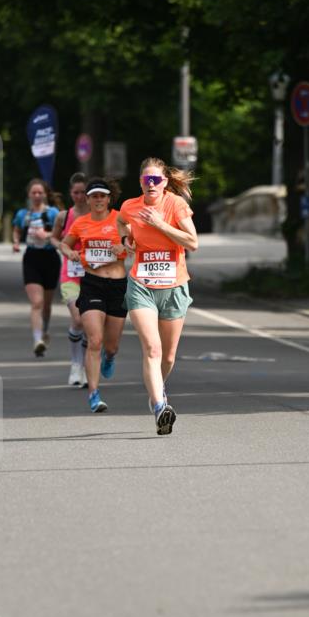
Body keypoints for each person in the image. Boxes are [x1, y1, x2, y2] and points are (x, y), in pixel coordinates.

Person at [116, 157, 198, 435]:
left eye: (156, 180)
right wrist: (126, 239)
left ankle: (157, 390)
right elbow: (120, 222)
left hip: (174, 286)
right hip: (141, 285)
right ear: (140, 181)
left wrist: (161, 224)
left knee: (169, 356)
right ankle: (160, 406)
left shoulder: (175, 205)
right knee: (152, 349)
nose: (151, 184)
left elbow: (193, 243)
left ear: (164, 182)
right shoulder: (130, 206)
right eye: (146, 179)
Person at [61, 177, 128, 413]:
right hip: (92, 283)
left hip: (117, 286)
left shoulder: (120, 218)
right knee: (95, 340)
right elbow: (65, 244)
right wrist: (71, 253)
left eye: (102, 195)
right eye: (94, 196)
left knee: (111, 346)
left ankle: (110, 358)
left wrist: (124, 247)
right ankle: (94, 393)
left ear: (109, 198)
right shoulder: (81, 223)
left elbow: (135, 244)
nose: (98, 200)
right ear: (87, 199)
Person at [12, 179, 61, 357]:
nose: (37, 195)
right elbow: (17, 229)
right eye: (34, 192)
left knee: (46, 305)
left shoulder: (53, 213)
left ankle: (45, 329)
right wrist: (16, 242)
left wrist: (47, 235)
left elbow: (62, 233)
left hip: (50, 259)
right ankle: (37, 339)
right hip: (32, 258)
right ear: (29, 195)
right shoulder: (23, 214)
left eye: (40, 192)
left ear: (45, 194)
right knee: (36, 303)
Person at [49, 172, 88, 386]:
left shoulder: (97, 214)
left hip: (92, 274)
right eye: (76, 192)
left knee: (90, 324)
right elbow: (54, 237)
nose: (80, 196)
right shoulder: (64, 216)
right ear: (70, 193)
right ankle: (75, 363)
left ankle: (83, 366)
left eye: (83, 192)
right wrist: (62, 248)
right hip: (70, 273)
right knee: (78, 319)